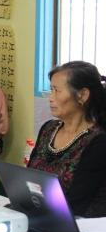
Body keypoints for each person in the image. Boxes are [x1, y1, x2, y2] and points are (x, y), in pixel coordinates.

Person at [28, 61, 106, 218]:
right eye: (51, 90)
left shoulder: (99, 142)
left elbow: (78, 202)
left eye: (57, 91)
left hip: (80, 226)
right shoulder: (48, 129)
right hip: (43, 217)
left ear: (82, 95)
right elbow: (29, 179)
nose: (51, 98)